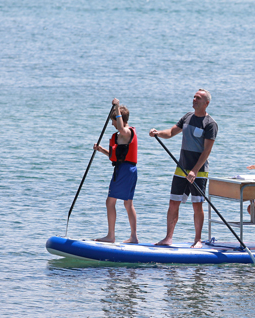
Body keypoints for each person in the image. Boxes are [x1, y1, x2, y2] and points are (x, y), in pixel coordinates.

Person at [149, 89, 217, 248]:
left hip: (199, 170)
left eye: (198, 98)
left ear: (206, 103)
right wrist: (158, 133)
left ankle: (198, 240)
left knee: (197, 205)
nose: (194, 99)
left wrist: (194, 170)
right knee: (173, 203)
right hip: (181, 168)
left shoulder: (210, 124)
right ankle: (168, 238)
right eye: (194, 97)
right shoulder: (187, 117)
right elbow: (172, 132)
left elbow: (207, 151)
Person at [93, 98, 139, 244]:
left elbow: (121, 128)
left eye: (114, 120)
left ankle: (111, 236)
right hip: (124, 169)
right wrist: (101, 150)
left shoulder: (127, 132)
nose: (112, 123)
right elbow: (116, 156)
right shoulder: (118, 136)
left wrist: (117, 107)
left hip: (126, 171)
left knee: (110, 202)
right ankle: (133, 237)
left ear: (120, 119)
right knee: (127, 204)